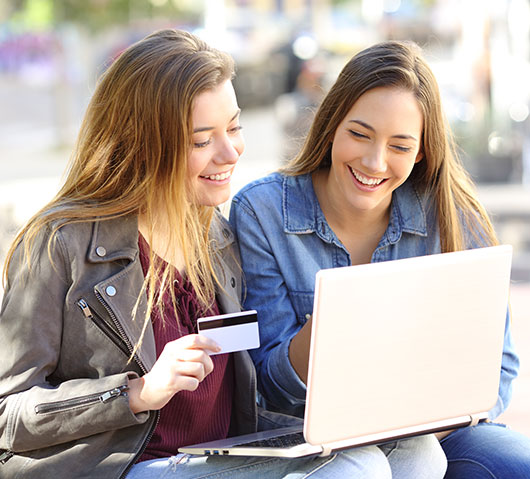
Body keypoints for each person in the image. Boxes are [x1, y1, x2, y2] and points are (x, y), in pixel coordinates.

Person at [0, 29, 445, 479]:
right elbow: (7, 411)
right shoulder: (61, 241)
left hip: (220, 455)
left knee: (417, 453)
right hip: (131, 464)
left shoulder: (219, 236)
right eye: (201, 140)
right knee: (356, 469)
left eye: (234, 128)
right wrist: (135, 392)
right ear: (143, 142)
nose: (230, 152)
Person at [230, 40, 530, 478]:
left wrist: (426, 421)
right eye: (360, 134)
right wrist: (324, 334)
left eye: (400, 146)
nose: (374, 161)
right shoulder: (263, 212)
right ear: (332, 124)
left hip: (432, 432)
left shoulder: (453, 214)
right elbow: (266, 388)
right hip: (311, 439)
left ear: (422, 151)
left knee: (515, 464)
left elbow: (498, 366)